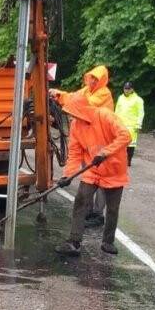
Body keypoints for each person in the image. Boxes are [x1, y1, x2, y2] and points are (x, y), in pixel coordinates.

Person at [55, 94, 131, 257]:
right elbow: (75, 152)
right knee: (81, 200)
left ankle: (107, 242)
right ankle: (74, 242)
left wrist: (105, 153)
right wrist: (67, 175)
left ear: (82, 109)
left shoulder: (104, 115)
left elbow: (125, 136)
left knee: (112, 208)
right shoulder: (76, 126)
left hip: (114, 170)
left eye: (73, 112)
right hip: (93, 169)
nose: (71, 116)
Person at [50, 65, 115, 226]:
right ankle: (87, 210)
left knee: (102, 178)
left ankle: (98, 214)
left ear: (101, 80)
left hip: (103, 140)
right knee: (89, 175)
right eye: (91, 78)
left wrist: (62, 97)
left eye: (95, 79)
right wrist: (59, 94)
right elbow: (74, 97)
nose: (92, 81)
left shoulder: (103, 94)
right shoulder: (86, 91)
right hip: (89, 139)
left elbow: (84, 104)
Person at [115, 82, 145, 166]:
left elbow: (141, 113)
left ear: (132, 89)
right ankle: (120, 160)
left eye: (128, 89)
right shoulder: (120, 98)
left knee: (131, 144)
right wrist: (114, 121)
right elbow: (117, 110)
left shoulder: (138, 100)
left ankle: (128, 161)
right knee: (119, 143)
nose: (126, 90)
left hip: (132, 125)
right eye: (125, 88)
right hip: (120, 124)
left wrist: (139, 125)